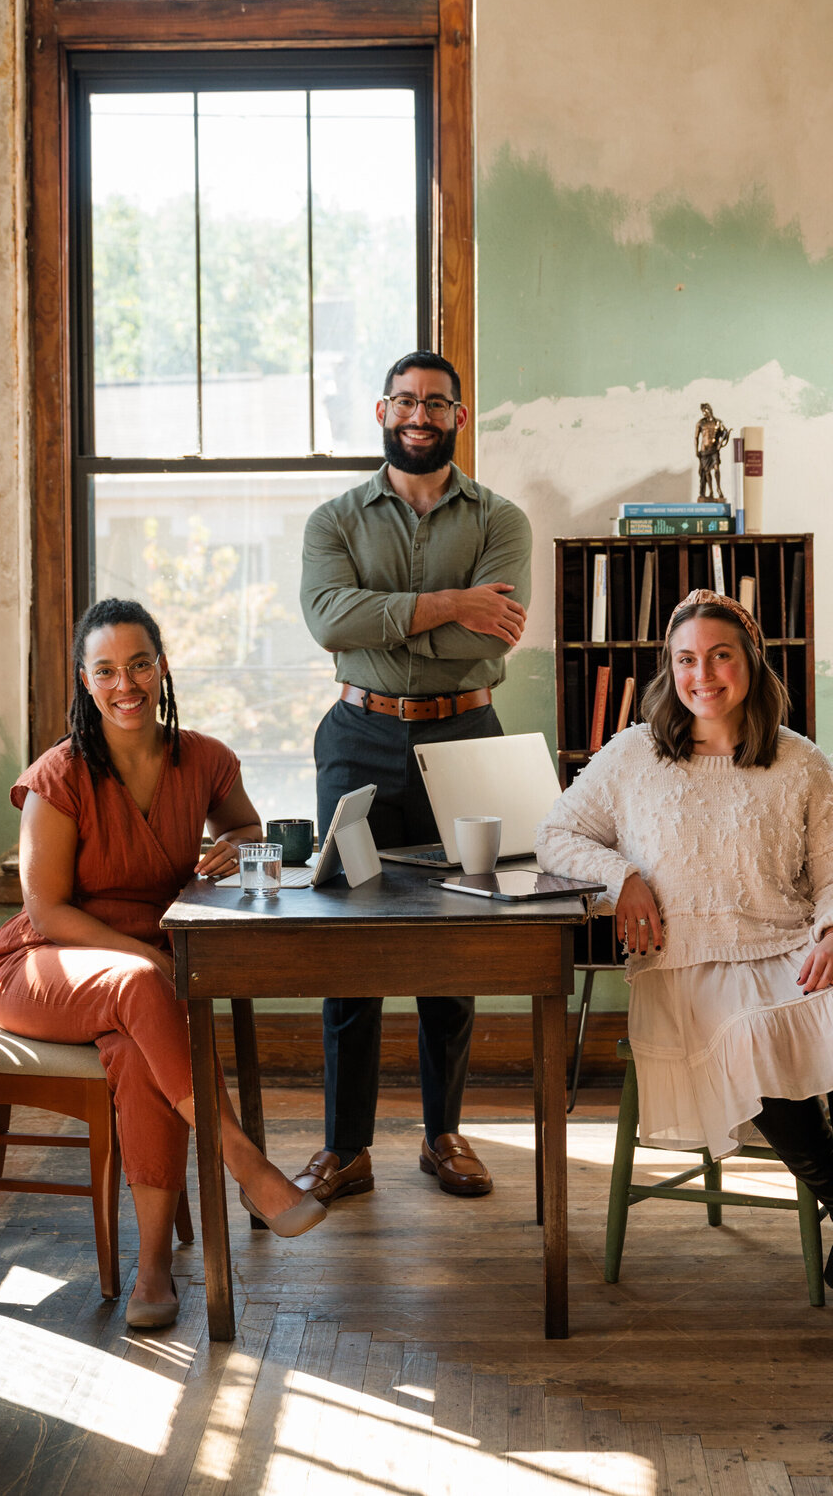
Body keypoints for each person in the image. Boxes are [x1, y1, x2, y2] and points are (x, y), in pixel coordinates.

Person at [536, 588, 833, 1340]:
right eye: (687, 659)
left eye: (720, 656)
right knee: (748, 1036)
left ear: (750, 664)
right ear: (670, 668)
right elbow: (559, 836)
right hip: (687, 966)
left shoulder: (799, 761)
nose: (704, 674)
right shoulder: (632, 754)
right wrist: (622, 876)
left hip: (789, 944)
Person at [0, 598, 325, 1332]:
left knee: (139, 1061)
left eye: (139, 664)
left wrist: (239, 843)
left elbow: (246, 825)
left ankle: (155, 1270)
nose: (125, 683)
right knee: (144, 988)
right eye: (105, 670)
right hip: (43, 968)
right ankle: (246, 1165)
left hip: (137, 988)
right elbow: (44, 910)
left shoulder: (200, 758)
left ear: (162, 666)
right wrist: (143, 957)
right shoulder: (61, 776)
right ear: (85, 680)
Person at [296, 349, 533, 1204]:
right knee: (347, 939)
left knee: (456, 940)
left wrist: (389, 624)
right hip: (356, 737)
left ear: (459, 417)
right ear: (381, 411)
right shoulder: (333, 521)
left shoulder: (503, 521)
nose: (419, 414)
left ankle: (445, 1135)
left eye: (436, 402)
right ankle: (345, 1149)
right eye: (405, 400)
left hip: (468, 736)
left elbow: (493, 638)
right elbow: (329, 623)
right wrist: (450, 605)